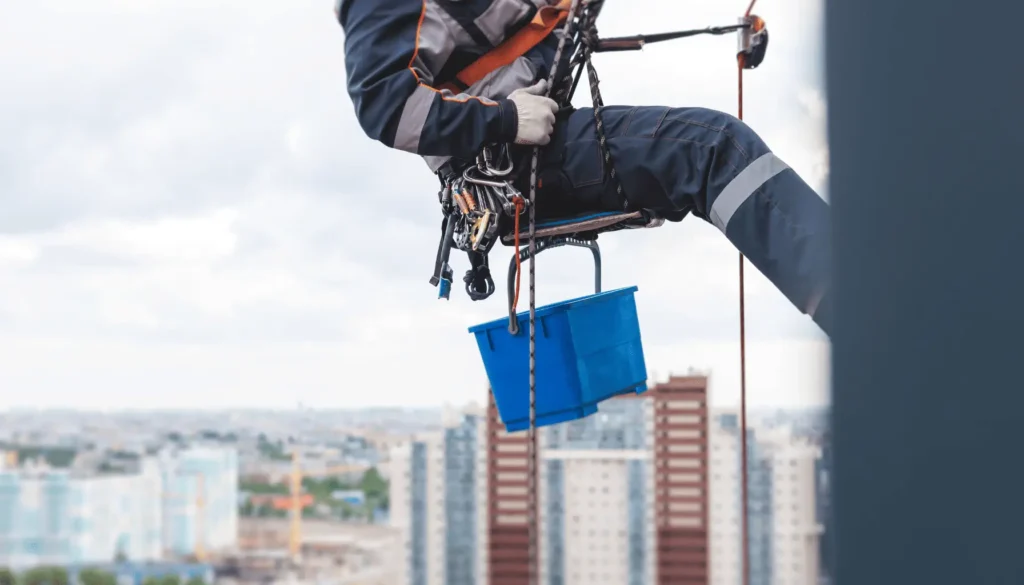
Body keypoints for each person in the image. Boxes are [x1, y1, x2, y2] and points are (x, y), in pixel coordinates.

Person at [335, 0, 833, 337]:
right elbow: (385, 105)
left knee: (710, 149)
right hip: (499, 162)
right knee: (711, 150)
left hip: (534, 135)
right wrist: (505, 119)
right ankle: (858, 308)